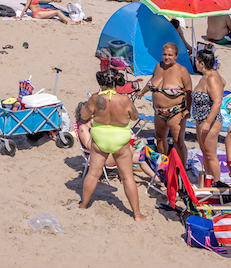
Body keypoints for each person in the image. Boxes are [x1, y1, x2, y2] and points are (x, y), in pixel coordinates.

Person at [78, 68, 147, 221]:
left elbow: (83, 116)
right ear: (117, 82)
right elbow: (135, 117)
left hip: (100, 138)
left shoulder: (95, 98)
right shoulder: (124, 100)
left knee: (93, 174)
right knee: (128, 176)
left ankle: (83, 204)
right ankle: (137, 214)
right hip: (120, 140)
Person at [138, 43, 192, 167]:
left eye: (170, 55)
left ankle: (182, 169)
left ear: (176, 56)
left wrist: (188, 110)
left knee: (178, 141)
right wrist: (142, 91)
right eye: (165, 54)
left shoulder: (182, 71)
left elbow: (189, 92)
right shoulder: (158, 66)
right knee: (160, 139)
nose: (167, 57)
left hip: (176, 112)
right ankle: (164, 166)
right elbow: (151, 80)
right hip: (158, 112)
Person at [192, 49, 225, 187]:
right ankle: (208, 181)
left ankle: (217, 183)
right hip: (202, 119)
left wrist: (208, 121)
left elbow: (217, 102)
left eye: (196, 61)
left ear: (202, 63)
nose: (195, 63)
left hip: (210, 121)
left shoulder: (211, 78)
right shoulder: (208, 75)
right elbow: (224, 82)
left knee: (211, 155)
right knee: (204, 152)